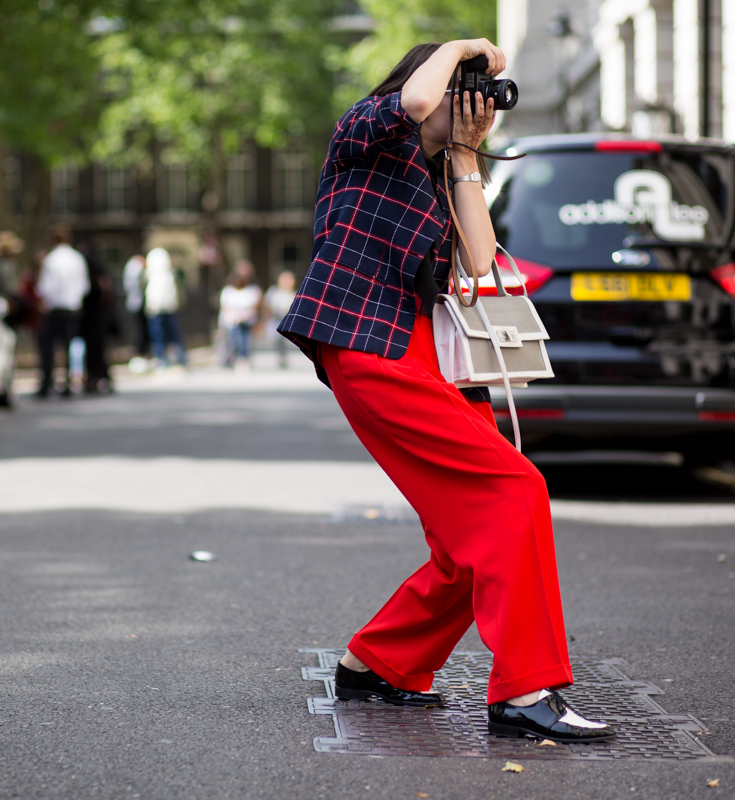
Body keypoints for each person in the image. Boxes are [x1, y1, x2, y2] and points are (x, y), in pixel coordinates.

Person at [276, 39, 614, 744]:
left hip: (433, 355)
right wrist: (465, 47)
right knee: (515, 490)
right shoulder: (363, 130)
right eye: (474, 86)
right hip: (369, 347)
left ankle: (379, 662)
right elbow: (416, 103)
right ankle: (525, 692)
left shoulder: (440, 169)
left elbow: (482, 259)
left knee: (470, 544)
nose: (481, 100)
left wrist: (465, 158)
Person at [36, 227, 90, 398]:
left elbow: (46, 286)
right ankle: (67, 382)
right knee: (69, 345)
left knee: (49, 347)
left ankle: (47, 384)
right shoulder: (77, 258)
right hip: (72, 306)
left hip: (55, 306)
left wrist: (44, 300)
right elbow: (84, 285)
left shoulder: (51, 259)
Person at [79, 244, 117, 394]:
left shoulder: (96, 279)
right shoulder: (94, 278)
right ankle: (95, 379)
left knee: (97, 351)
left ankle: (98, 379)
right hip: (94, 317)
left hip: (95, 317)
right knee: (96, 351)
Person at [143, 247, 188, 368]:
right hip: (157, 310)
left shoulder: (170, 275)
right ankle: (162, 359)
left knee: (172, 336)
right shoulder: (151, 275)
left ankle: (178, 359)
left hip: (167, 309)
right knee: (159, 337)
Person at [218, 260, 262, 369]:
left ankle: (243, 359)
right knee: (232, 341)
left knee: (245, 341)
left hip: (247, 320)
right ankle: (230, 359)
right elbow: (224, 306)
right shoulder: (228, 290)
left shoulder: (253, 290)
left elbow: (257, 305)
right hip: (231, 321)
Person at [263, 270, 297, 369]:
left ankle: (284, 357)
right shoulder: (274, 292)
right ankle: (281, 357)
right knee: (277, 339)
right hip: (276, 318)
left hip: (288, 319)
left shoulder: (294, 293)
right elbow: (267, 305)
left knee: (286, 340)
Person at [122, 254, 151, 366]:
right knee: (139, 330)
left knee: (141, 330)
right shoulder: (135, 268)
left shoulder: (130, 267)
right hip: (137, 304)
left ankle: (142, 353)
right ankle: (139, 353)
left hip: (135, 303)